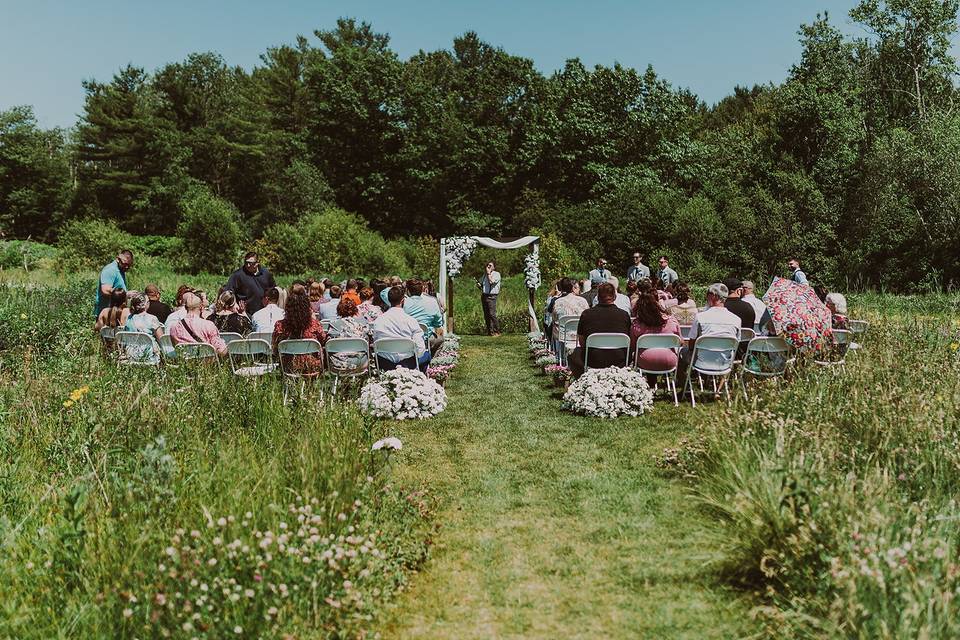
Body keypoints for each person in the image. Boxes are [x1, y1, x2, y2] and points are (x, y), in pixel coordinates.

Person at [678, 283, 741, 385]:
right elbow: (736, 343)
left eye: (707, 294)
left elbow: (691, 343)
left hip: (701, 362)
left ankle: (683, 384)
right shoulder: (736, 320)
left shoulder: (701, 317)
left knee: (681, 352)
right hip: (724, 362)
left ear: (713, 296)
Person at [567, 283, 631, 378]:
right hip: (619, 360)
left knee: (573, 355)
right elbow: (628, 340)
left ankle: (582, 380)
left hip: (593, 359)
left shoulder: (586, 314)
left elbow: (582, 341)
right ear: (614, 297)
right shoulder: (624, 315)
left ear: (598, 297)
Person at [372, 286, 431, 372]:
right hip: (408, 363)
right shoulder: (411, 321)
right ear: (403, 300)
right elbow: (420, 350)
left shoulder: (378, 321)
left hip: (384, 364)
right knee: (426, 355)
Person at [630, 289, 683, 384]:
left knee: (646, 354)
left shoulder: (637, 325)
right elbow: (680, 342)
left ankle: (650, 383)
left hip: (645, 361)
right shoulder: (671, 321)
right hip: (669, 361)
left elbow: (633, 346)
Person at [272, 286, 328, 375]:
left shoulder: (280, 326)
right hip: (312, 366)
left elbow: (275, 348)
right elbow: (323, 341)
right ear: (307, 307)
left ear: (288, 307)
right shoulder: (315, 325)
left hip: (289, 366)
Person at [325, 297, 370, 372]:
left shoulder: (333, 324)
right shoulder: (363, 323)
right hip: (360, 362)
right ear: (355, 310)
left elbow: (328, 344)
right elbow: (369, 342)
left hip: (338, 363)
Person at [224, 252, 276, 316]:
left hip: (264, 312)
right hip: (245, 313)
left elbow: (273, 290)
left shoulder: (266, 274)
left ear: (257, 262)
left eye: (251, 263)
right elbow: (228, 292)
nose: (248, 265)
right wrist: (234, 305)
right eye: (246, 263)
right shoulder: (238, 275)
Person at [403, 279, 445, 354]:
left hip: (407, 339)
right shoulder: (432, 302)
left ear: (408, 290)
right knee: (440, 340)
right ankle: (431, 361)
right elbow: (438, 323)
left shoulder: (403, 303)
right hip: (427, 339)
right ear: (422, 289)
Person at [122, 292, 163, 364]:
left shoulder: (129, 319)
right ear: (145, 305)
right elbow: (161, 339)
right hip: (148, 355)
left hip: (131, 355)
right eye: (148, 302)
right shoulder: (152, 318)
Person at [550, 277, 590, 346]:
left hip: (563, 337)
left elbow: (554, 319)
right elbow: (588, 318)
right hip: (580, 336)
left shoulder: (558, 302)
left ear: (561, 289)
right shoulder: (583, 301)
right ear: (572, 288)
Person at [94, 250, 133, 317]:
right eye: (125, 264)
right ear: (118, 259)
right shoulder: (110, 270)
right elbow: (105, 290)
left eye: (129, 265)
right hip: (106, 314)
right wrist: (125, 294)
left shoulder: (121, 269)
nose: (127, 267)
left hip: (116, 312)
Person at [479, 260, 501, 337]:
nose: (488, 267)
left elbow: (492, 282)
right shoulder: (485, 275)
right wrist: (479, 285)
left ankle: (497, 331)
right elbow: (481, 283)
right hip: (484, 295)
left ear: (494, 267)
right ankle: (490, 331)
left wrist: (488, 273)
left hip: (492, 296)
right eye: (488, 265)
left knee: (492, 314)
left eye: (490, 265)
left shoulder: (497, 274)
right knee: (486, 314)